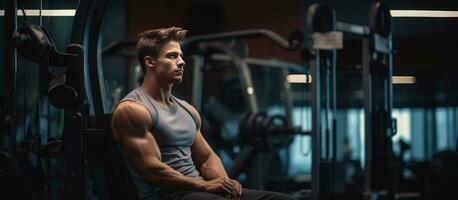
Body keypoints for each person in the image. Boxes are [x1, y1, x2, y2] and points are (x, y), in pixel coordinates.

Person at [111, 27, 295, 200]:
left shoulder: (187, 109)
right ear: (150, 62)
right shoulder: (133, 110)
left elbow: (206, 157)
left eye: (181, 56)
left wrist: (226, 185)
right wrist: (204, 186)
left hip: (197, 191)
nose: (182, 62)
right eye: (172, 56)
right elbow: (152, 170)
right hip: (167, 194)